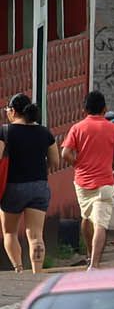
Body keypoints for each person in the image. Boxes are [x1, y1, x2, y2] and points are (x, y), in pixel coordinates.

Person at [61, 91, 114, 270]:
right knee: (101, 224)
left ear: (85, 109)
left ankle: (89, 255)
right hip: (105, 183)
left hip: (82, 183)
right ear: (104, 109)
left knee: (86, 217)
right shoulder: (112, 128)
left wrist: (77, 164)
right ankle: (95, 264)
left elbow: (65, 153)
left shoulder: (77, 128)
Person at [0, 94, 59, 273]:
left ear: (13, 111)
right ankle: (37, 272)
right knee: (35, 235)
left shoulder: (5, 131)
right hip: (39, 186)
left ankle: (19, 269)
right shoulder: (44, 132)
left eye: (7, 110)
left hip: (13, 187)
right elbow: (55, 161)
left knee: (10, 232)